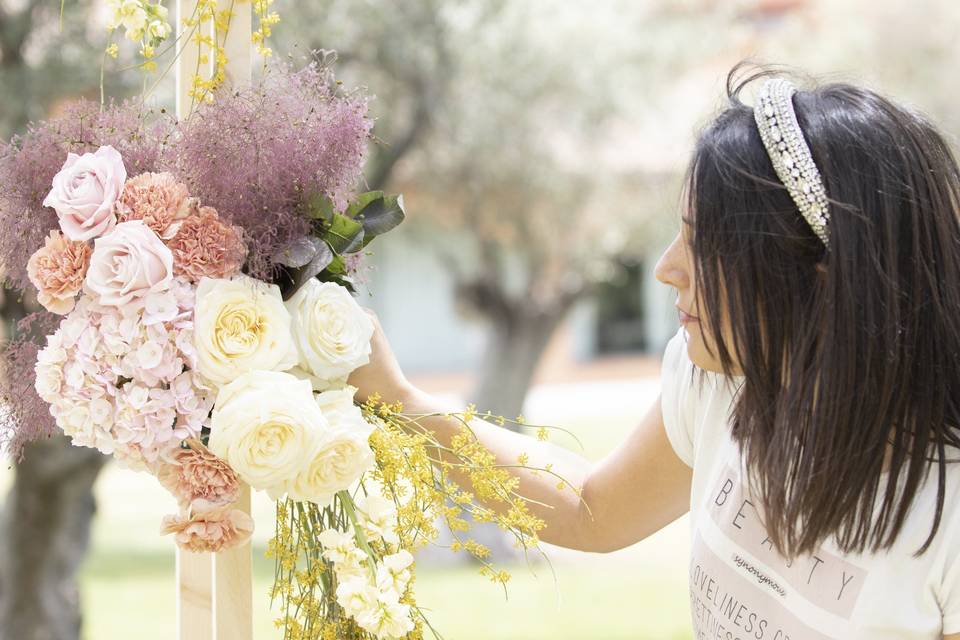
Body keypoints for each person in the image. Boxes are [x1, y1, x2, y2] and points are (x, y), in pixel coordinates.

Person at [348, 64, 960, 639]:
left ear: (823, 278)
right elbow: (591, 508)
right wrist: (397, 398)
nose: (666, 269)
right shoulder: (724, 383)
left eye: (706, 245)